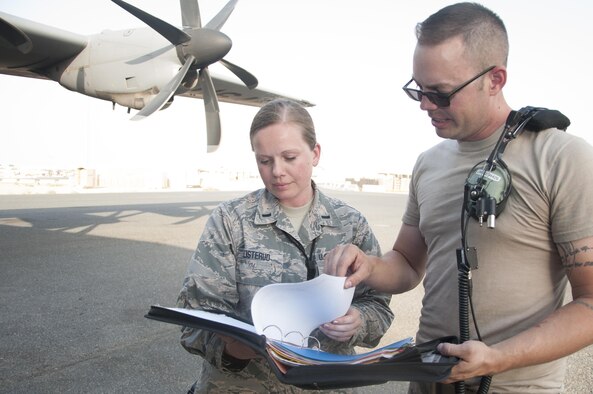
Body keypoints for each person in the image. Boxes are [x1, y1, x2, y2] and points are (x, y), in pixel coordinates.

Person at [324, 3, 593, 393]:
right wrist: (368, 265)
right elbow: (407, 264)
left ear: (495, 79)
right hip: (428, 380)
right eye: (417, 89)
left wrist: (500, 357)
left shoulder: (561, 157)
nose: (425, 105)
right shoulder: (428, 163)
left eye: (441, 94)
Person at [176, 98, 394, 393]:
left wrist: (359, 322)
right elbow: (195, 317)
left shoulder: (350, 224)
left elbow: (378, 304)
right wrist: (232, 349)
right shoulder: (231, 221)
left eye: (289, 157)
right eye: (264, 161)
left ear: (315, 153)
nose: (276, 171)